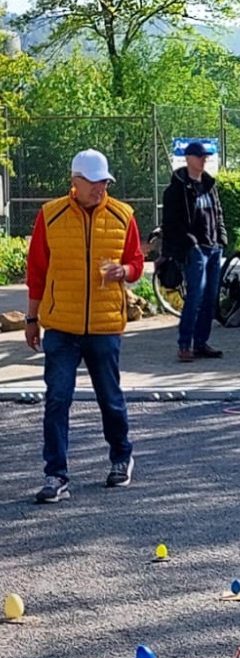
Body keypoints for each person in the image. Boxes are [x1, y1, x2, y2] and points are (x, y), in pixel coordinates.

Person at [25, 149, 144, 503]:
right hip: (61, 326)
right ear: (74, 181)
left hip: (105, 326)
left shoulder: (123, 215)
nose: (99, 188)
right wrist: (31, 319)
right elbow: (37, 272)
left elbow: (137, 261)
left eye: (103, 181)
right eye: (92, 182)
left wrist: (125, 271)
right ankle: (55, 475)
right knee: (57, 399)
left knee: (110, 398)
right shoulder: (50, 215)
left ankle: (121, 457)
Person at [161, 139, 228, 363]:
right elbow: (172, 223)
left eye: (205, 156)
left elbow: (218, 212)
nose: (203, 160)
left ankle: (201, 343)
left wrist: (222, 237)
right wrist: (190, 245)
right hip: (194, 249)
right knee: (195, 296)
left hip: (213, 247)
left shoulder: (209, 185)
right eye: (200, 156)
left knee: (210, 297)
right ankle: (184, 344)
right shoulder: (176, 189)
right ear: (188, 159)